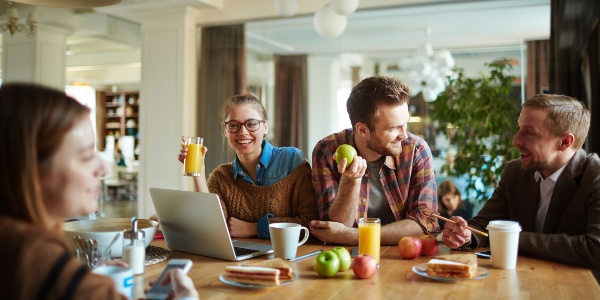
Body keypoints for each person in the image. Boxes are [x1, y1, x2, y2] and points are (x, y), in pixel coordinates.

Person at [0, 82, 198, 300]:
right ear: (29, 169)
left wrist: (82, 278)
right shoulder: (36, 259)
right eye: (85, 156)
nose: (103, 169)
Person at [442, 94, 600, 278]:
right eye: (519, 129)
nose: (515, 141)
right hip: (521, 280)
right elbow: (482, 225)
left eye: (529, 132)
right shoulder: (515, 172)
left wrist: (511, 238)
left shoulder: (594, 176)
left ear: (564, 142)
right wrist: (465, 235)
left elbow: (595, 249)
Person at [310, 76, 439, 245]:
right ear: (362, 129)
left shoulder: (416, 150)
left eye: (405, 124)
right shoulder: (326, 151)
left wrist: (356, 236)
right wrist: (350, 181)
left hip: (401, 255)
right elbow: (335, 229)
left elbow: (426, 223)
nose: (404, 135)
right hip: (349, 258)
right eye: (394, 128)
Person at [178, 93, 318, 239]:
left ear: (265, 126)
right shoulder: (221, 177)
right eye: (233, 125)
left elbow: (311, 222)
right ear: (225, 130)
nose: (243, 132)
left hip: (287, 258)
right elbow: (209, 227)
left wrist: (254, 228)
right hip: (237, 259)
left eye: (251, 124)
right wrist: (198, 172)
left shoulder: (291, 160)